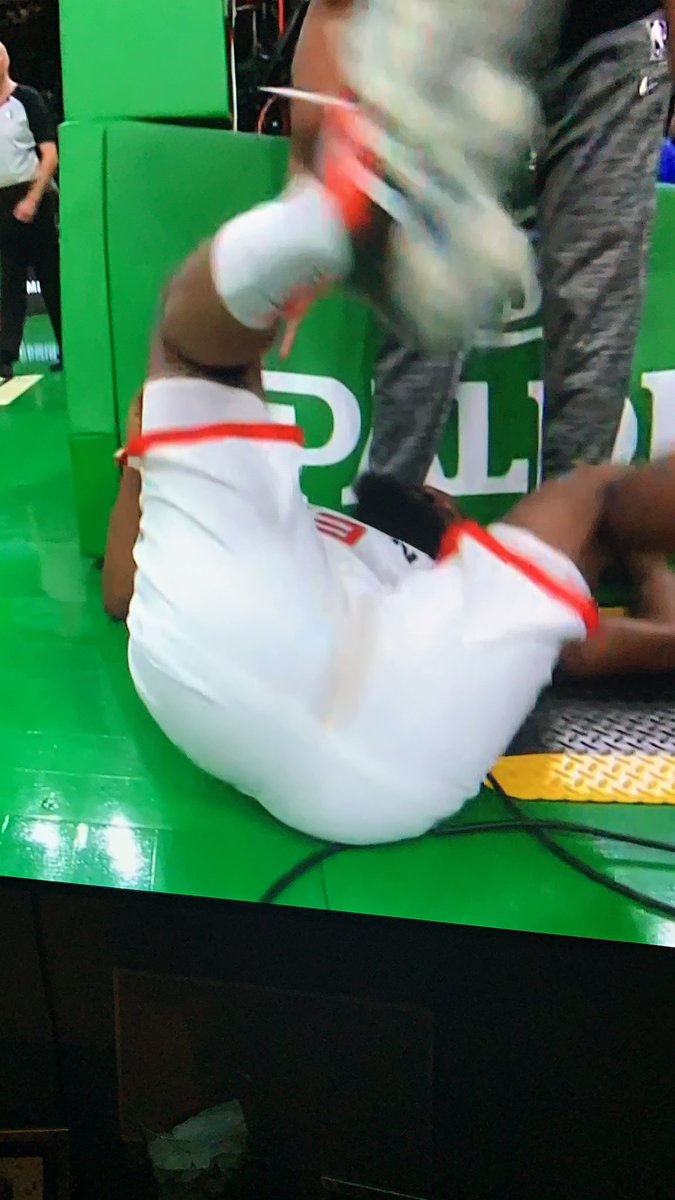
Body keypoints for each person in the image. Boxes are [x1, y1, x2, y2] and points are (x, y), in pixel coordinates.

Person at [102, 169, 675, 847]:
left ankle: (315, 220)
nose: (439, 495)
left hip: (238, 672)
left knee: (191, 357)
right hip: (400, 756)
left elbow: (123, 596)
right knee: (595, 495)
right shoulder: (367, 555)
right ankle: (316, 224)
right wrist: (641, 554)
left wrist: (146, 461)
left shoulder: (377, 564)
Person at [294, 1, 674, 483]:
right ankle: (388, 501)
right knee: (423, 282)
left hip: (610, 37)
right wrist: (305, 197)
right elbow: (333, 9)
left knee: (594, 315)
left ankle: (571, 520)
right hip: (461, 27)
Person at [0, 41, 62, 381]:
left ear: (6, 61)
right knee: (9, 281)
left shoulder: (28, 100)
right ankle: (5, 356)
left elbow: (50, 155)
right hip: (1, 203)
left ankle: (69, 347)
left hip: (32, 194)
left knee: (50, 276)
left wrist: (34, 198)